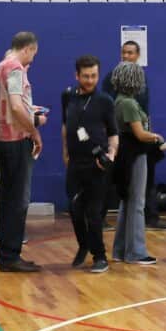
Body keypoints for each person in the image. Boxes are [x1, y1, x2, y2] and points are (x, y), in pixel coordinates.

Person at [0, 32, 46, 273]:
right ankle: (10, 255)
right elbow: (16, 106)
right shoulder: (14, 68)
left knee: (7, 196)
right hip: (15, 140)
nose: (32, 59)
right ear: (28, 48)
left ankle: (6, 253)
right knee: (17, 200)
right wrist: (35, 130)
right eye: (33, 53)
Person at [105, 40, 166, 232]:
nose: (126, 56)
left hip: (139, 136)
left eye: (130, 53)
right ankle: (101, 218)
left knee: (147, 176)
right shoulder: (113, 79)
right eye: (124, 53)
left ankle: (151, 216)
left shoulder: (141, 80)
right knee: (112, 180)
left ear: (138, 55)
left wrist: (148, 134)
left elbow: (144, 110)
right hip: (122, 137)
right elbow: (108, 106)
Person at [62, 55, 118, 274]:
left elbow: (113, 134)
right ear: (77, 75)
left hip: (98, 164)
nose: (90, 80)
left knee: (94, 213)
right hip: (75, 163)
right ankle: (83, 245)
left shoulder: (105, 101)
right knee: (75, 209)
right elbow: (66, 126)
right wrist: (65, 153)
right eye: (85, 76)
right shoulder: (67, 96)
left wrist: (111, 155)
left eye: (94, 75)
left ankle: (100, 257)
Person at [111, 62, 161, 265]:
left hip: (125, 154)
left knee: (128, 201)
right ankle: (136, 251)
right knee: (137, 203)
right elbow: (140, 134)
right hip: (134, 155)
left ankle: (121, 249)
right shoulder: (129, 104)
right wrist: (156, 137)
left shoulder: (120, 101)